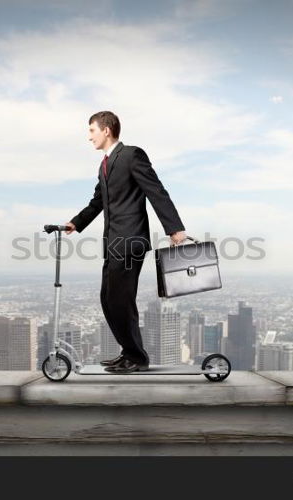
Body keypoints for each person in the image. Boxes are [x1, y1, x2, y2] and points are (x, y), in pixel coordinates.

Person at [64, 111, 187, 373]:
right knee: (108, 298)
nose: (89, 138)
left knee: (121, 299)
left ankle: (137, 358)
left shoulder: (132, 155)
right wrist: (76, 223)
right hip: (113, 243)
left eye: (92, 131)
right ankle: (129, 353)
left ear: (106, 130)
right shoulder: (105, 165)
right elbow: (98, 201)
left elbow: (156, 190)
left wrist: (174, 228)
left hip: (131, 241)